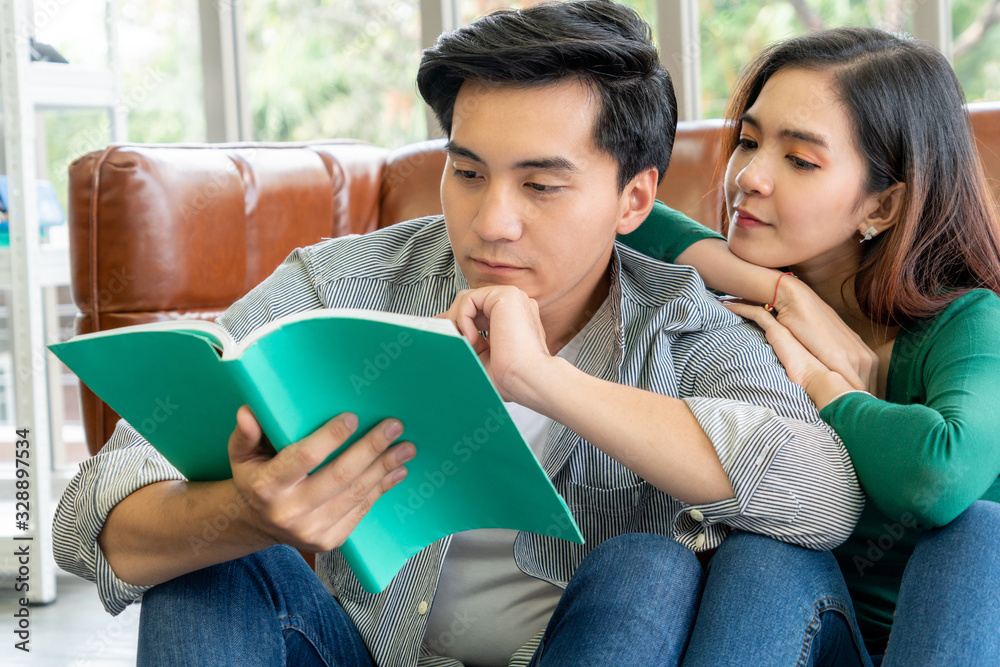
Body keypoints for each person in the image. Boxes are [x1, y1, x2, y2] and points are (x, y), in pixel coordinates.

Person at [52, 3, 863, 666]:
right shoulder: (340, 287)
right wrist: (250, 513)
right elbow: (89, 513)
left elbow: (823, 495)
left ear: (633, 200)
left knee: (647, 566)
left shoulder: (681, 321)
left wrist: (544, 379)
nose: (491, 223)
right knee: (214, 565)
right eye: (467, 172)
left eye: (541, 185)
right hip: (363, 654)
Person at [621, 27, 1000, 665]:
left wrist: (830, 385)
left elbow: (936, 476)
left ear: (880, 206)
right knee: (763, 553)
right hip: (810, 633)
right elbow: (620, 208)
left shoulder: (969, 320)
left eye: (800, 159)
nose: (749, 176)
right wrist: (782, 293)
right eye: (747, 140)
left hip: (954, 633)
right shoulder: (745, 314)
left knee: (982, 534)